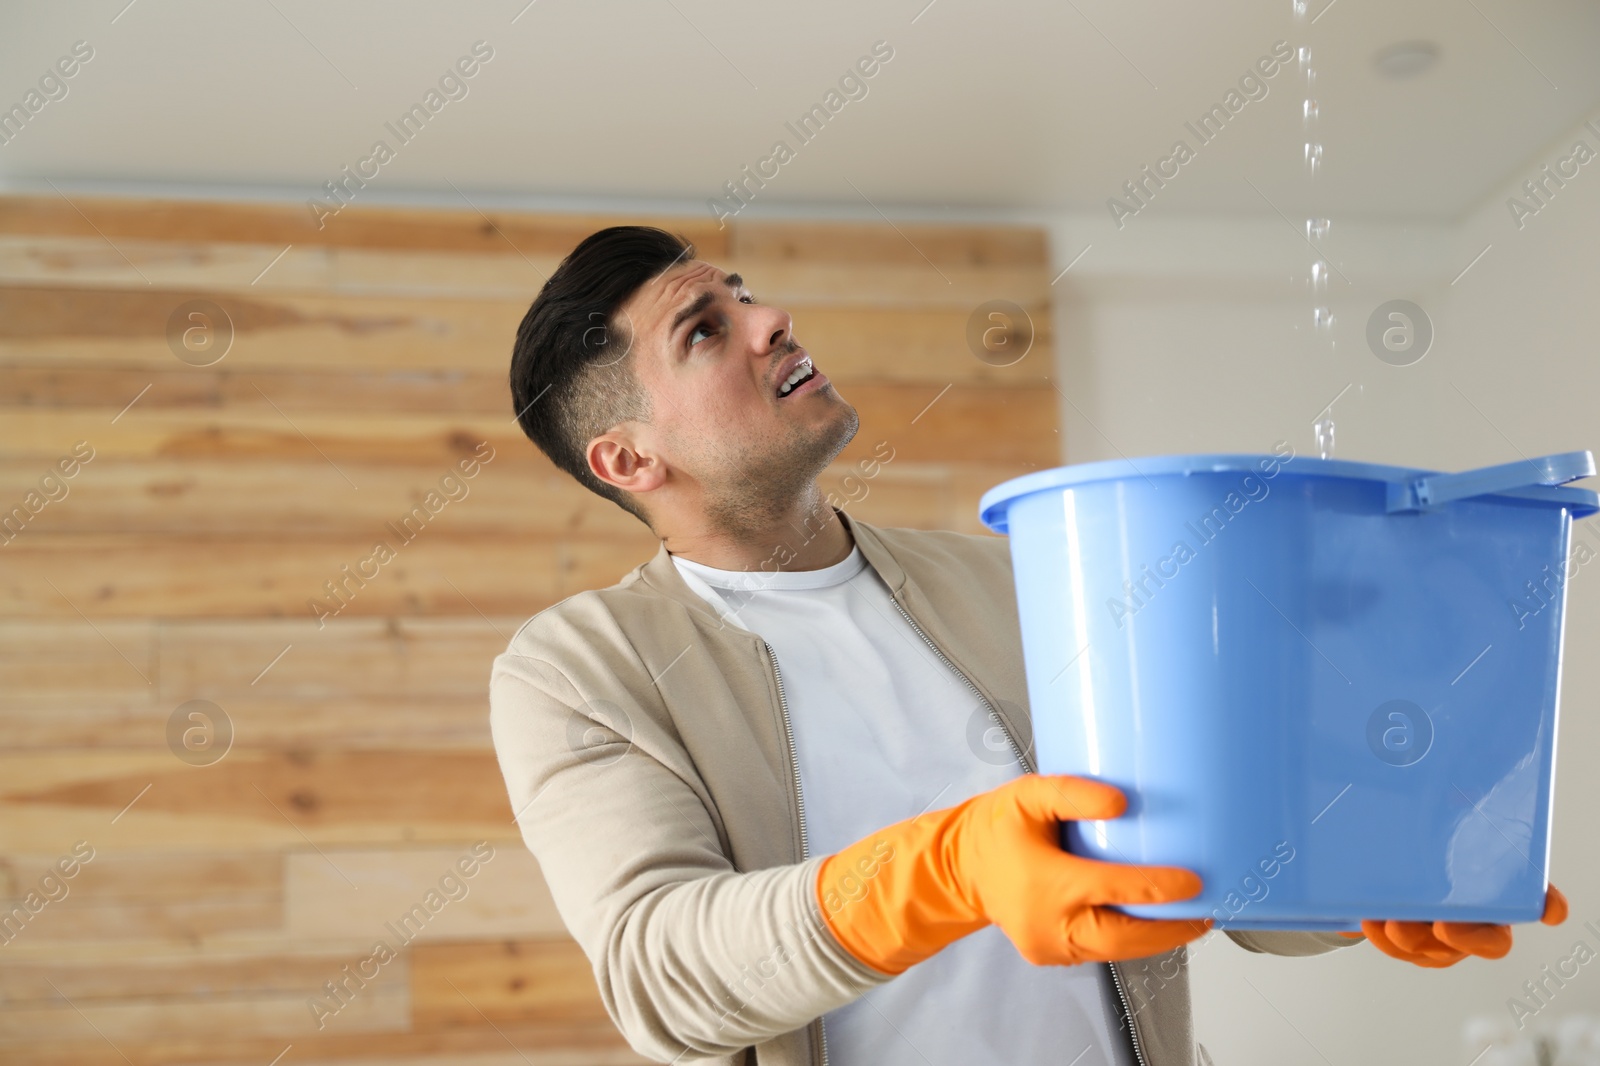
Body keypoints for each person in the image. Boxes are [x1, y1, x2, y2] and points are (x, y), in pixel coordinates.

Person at [489, 226, 1568, 1066]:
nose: (768, 318)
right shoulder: (584, 668)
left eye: (742, 294)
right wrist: (949, 865)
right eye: (703, 330)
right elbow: (660, 972)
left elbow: (1196, 852)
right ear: (627, 458)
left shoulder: (1017, 580)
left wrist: (1354, 886)